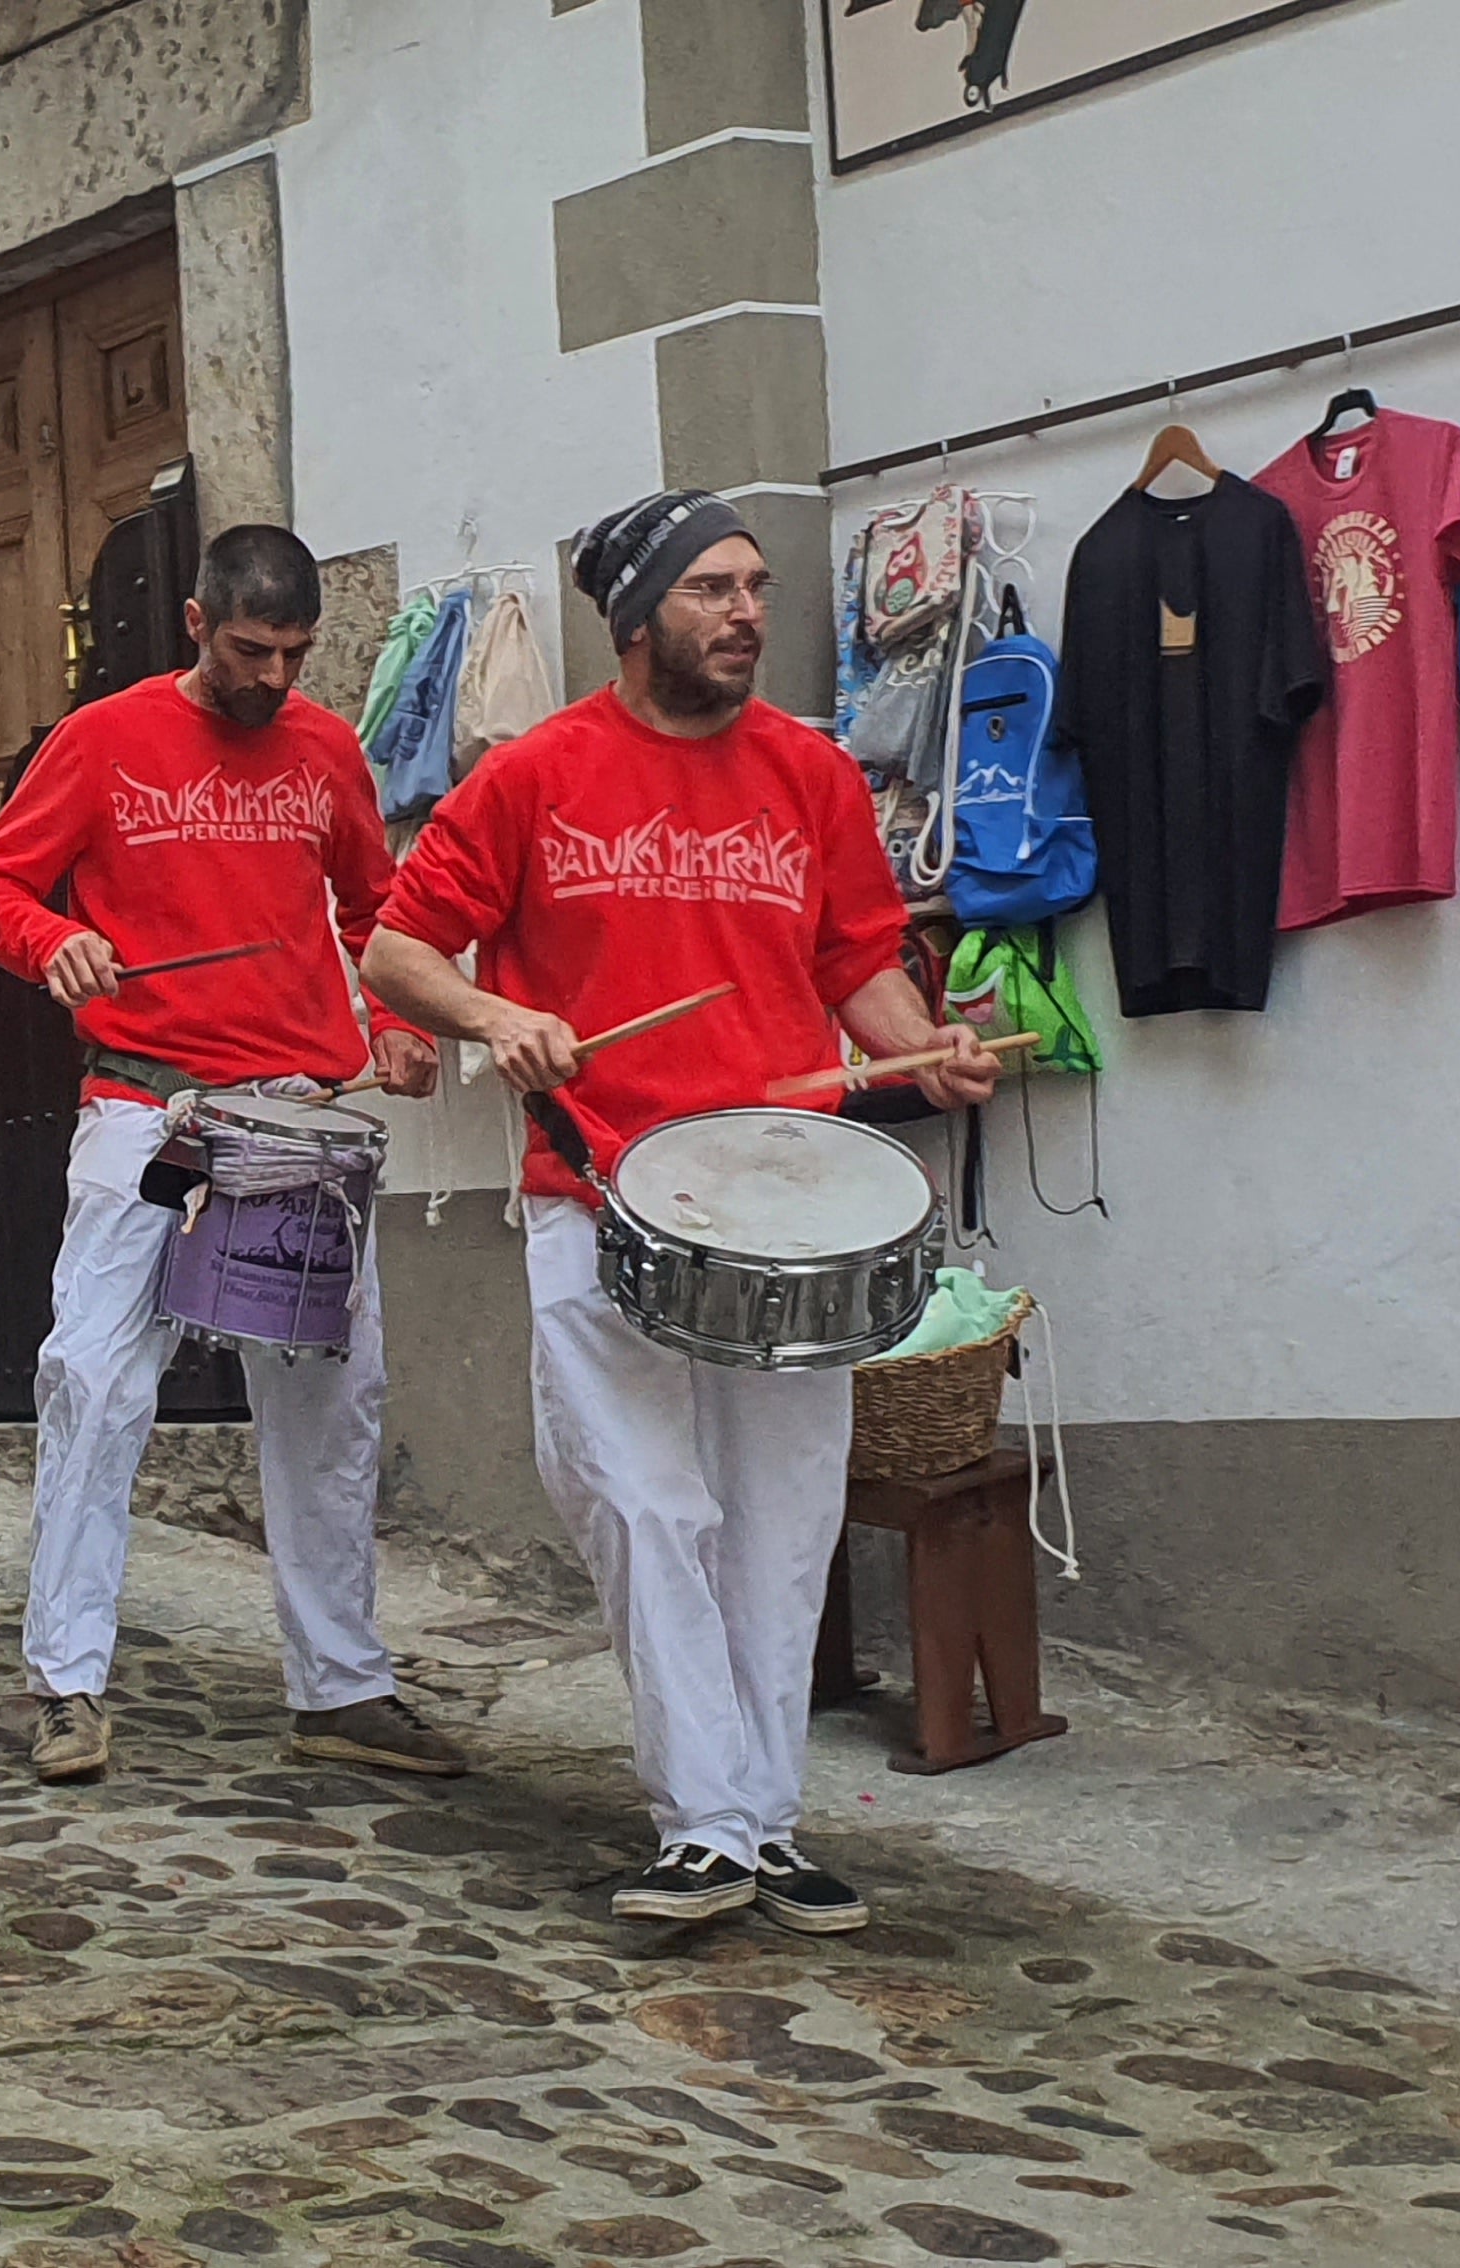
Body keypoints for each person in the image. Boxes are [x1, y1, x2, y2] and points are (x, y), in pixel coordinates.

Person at [362, 489, 1000, 1934]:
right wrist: (497, 1016)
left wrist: (927, 1050)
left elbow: (859, 965)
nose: (747, 613)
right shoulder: (536, 776)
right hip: (604, 1191)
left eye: (756, 586)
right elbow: (399, 950)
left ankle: (760, 1826)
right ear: (638, 614)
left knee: (781, 1522)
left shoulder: (811, 773)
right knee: (649, 1508)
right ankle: (701, 1821)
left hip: (785, 1204)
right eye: (713, 588)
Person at [0, 525, 455, 1791]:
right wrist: (52, 944)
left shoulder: (328, 749)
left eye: (294, 654)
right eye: (249, 650)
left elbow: (375, 913)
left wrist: (396, 1020)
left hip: (299, 1115)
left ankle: (342, 1688)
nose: (274, 678)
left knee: (333, 1398)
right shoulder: (103, 739)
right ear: (194, 623)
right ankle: (67, 1682)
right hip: (154, 1111)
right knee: (95, 1380)